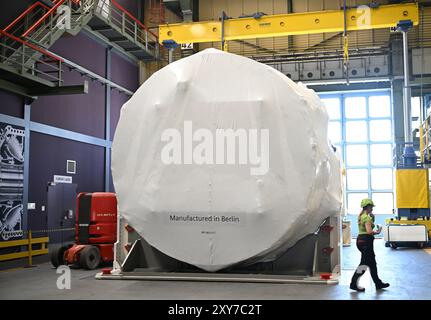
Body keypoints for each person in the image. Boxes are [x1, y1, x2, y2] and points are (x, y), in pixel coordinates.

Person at [349, 198, 390, 291]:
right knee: (363, 265)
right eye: (371, 207)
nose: (372, 208)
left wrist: (373, 217)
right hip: (366, 242)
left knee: (372, 263)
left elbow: (367, 226)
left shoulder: (362, 216)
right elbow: (369, 231)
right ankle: (353, 283)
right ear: (368, 207)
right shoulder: (366, 217)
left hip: (362, 241)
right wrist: (379, 231)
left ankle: (378, 283)